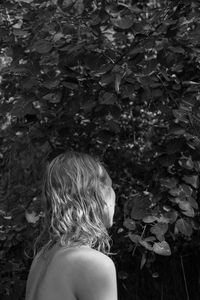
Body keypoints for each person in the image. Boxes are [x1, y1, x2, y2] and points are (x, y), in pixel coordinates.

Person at [25, 151, 117, 300]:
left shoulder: (43, 258)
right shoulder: (93, 264)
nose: (114, 194)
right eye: (109, 186)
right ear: (92, 195)